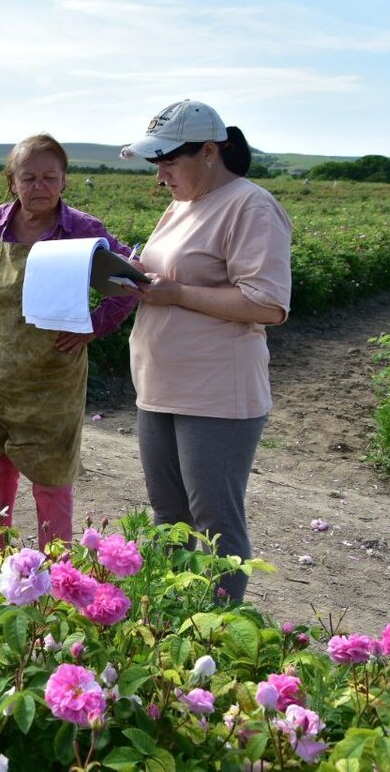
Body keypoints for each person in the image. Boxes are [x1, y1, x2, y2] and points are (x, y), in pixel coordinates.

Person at [119, 99, 291, 602]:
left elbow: (267, 304)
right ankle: (170, 622)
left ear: (210, 151)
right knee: (170, 519)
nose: (161, 176)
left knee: (215, 525)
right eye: (157, 165)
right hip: (160, 386)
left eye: (169, 162)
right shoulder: (182, 204)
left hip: (215, 393)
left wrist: (174, 293)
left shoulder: (250, 205)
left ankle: (216, 636)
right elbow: (173, 270)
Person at [0, 134, 136, 549]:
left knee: (51, 486)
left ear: (65, 181)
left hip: (51, 386)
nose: (40, 187)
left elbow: (129, 279)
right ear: (12, 182)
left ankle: (55, 583)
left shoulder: (82, 231)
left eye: (50, 177)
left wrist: (95, 324)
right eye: (29, 177)